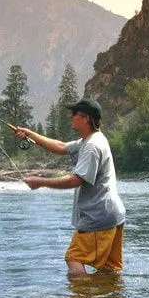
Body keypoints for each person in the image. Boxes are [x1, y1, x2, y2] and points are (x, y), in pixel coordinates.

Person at [12, 97, 126, 276]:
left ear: (86, 118)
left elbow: (76, 180)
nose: (70, 117)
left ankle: (82, 294)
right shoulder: (90, 140)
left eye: (74, 113)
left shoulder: (92, 146)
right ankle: (108, 294)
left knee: (74, 258)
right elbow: (60, 147)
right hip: (111, 215)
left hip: (98, 217)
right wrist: (30, 134)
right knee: (108, 269)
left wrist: (40, 182)